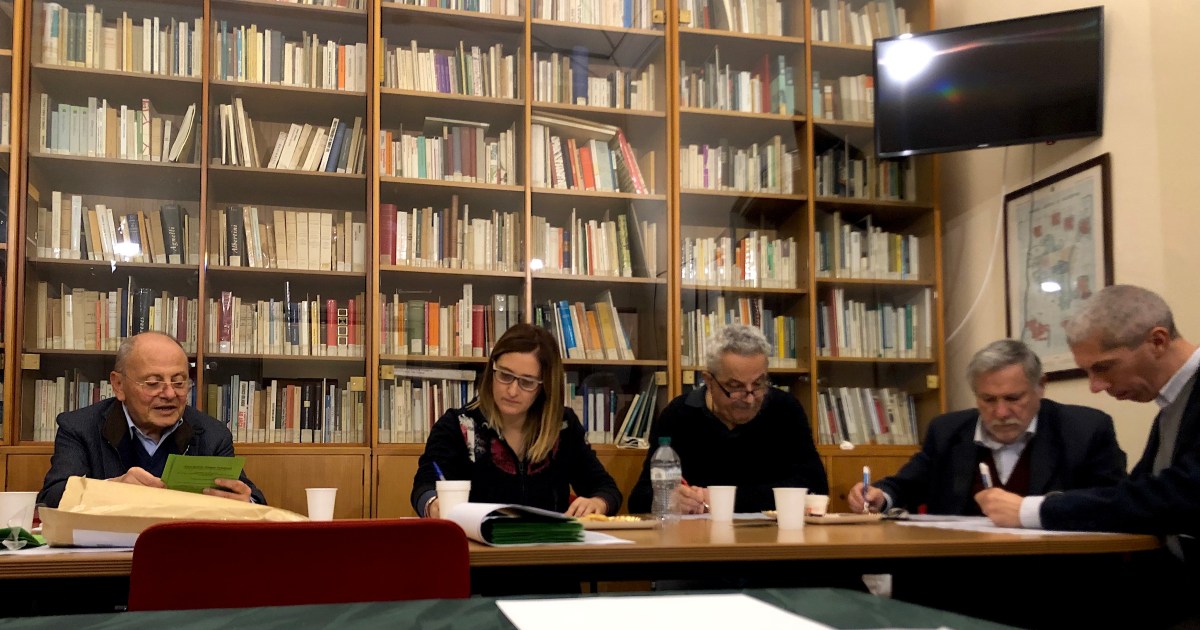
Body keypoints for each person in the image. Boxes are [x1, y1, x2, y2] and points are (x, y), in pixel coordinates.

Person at [977, 285, 1200, 627]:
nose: (1096, 386)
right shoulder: (1171, 406)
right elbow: (1135, 495)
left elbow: (1180, 496)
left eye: (1104, 367)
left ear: (1158, 341)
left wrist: (1032, 510)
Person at [849, 338, 1126, 515]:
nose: (1001, 412)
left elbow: (1111, 501)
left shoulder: (1085, 430)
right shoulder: (947, 430)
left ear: (1040, 387)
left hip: (1050, 569)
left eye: (1013, 398)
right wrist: (879, 496)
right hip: (960, 568)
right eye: (988, 400)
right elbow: (904, 485)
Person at [411, 323, 622, 518]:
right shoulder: (457, 425)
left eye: (527, 382)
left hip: (549, 543)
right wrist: (433, 504)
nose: (512, 391)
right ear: (491, 372)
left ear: (544, 386)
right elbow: (424, 485)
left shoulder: (563, 426)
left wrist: (598, 502)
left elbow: (605, 488)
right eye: (505, 375)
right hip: (477, 543)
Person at [38, 331, 265, 507]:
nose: (169, 394)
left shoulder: (212, 434)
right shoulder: (79, 428)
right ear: (119, 385)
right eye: (153, 383)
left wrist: (246, 503)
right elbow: (52, 497)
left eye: (179, 382)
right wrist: (112, 489)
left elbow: (254, 499)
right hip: (107, 549)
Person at [628, 324, 827, 514]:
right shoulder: (679, 415)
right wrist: (668, 500)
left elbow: (816, 488)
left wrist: (722, 500)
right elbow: (638, 499)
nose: (749, 399)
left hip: (772, 534)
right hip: (698, 536)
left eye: (758, 384)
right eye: (735, 387)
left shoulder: (784, 409)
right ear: (709, 381)